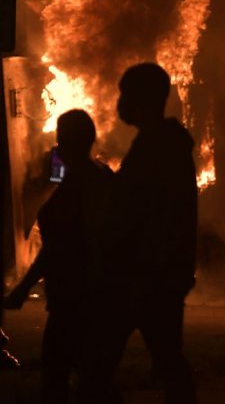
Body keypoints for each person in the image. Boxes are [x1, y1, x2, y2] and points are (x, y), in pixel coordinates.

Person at [78, 63, 197, 404]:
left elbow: (154, 216)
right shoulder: (159, 145)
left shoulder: (160, 149)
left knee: (103, 365)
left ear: (140, 99)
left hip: (141, 279)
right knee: (165, 363)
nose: (120, 103)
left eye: (125, 94)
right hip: (147, 277)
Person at [4, 109, 113, 403]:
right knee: (95, 376)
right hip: (99, 295)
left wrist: (23, 289)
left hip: (72, 296)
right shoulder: (103, 175)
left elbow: (56, 247)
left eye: (61, 137)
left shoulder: (74, 186)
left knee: (58, 376)